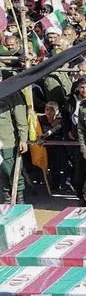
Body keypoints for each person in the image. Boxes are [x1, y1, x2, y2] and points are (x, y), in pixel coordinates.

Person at [0, 75, 27, 204]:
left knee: (13, 173)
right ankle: (6, 200)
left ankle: (19, 201)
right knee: (2, 175)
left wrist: (23, 139)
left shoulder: (11, 94)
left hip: (8, 143)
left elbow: (21, 119)